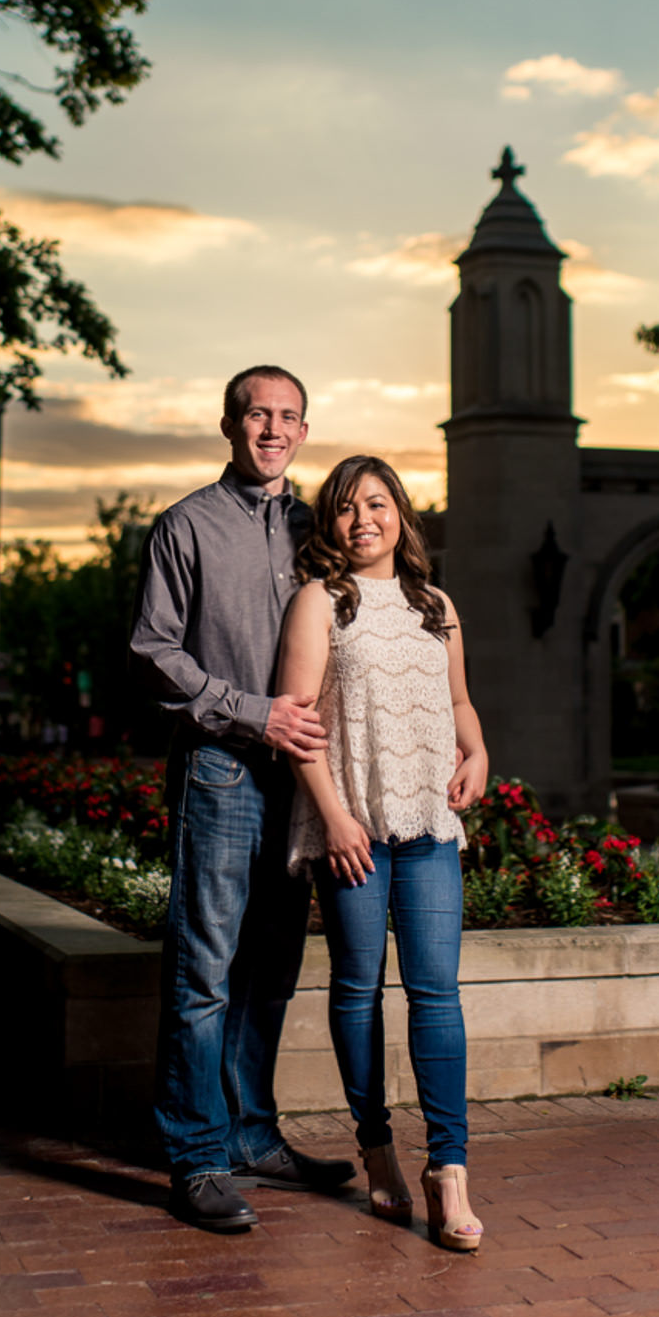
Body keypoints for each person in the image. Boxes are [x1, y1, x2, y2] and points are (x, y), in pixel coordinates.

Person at [133, 363, 350, 1233]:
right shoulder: (184, 527)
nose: (272, 429)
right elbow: (155, 655)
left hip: (301, 780)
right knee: (204, 972)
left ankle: (254, 1134)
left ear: (303, 432)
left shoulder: (320, 530)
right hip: (222, 771)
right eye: (257, 414)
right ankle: (196, 1158)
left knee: (271, 971)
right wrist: (253, 713)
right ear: (230, 425)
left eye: (288, 417)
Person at [276, 456, 489, 1251]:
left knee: (437, 996)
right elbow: (297, 723)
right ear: (329, 525)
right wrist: (332, 817)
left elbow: (461, 703)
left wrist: (479, 755)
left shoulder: (437, 605)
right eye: (344, 508)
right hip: (353, 832)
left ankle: (450, 1172)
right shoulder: (321, 602)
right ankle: (375, 1150)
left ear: (400, 511)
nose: (362, 519)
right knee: (358, 992)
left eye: (377, 503)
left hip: (431, 827)